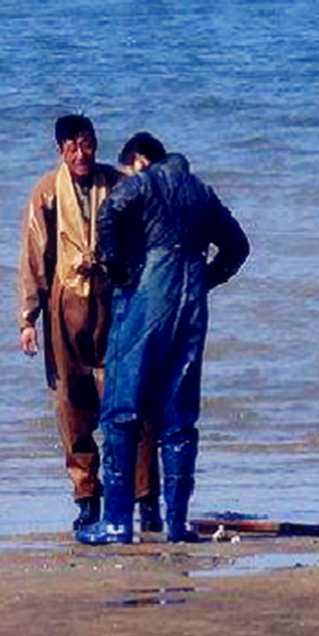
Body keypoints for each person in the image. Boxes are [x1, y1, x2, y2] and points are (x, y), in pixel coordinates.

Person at [76, 132, 250, 545]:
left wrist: (118, 270)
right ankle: (177, 524)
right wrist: (208, 279)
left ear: (143, 164)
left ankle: (117, 522)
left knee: (122, 409)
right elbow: (238, 247)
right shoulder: (202, 194)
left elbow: (110, 213)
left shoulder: (143, 183)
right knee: (179, 417)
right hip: (191, 304)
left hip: (147, 299)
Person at [18, 115, 160, 533]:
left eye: (88, 144)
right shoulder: (46, 192)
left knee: (134, 400)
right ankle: (86, 496)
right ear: (61, 151)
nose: (82, 154)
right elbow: (33, 257)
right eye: (73, 147)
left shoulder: (117, 183)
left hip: (115, 299)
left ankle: (146, 498)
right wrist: (28, 318)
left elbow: (148, 232)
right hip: (66, 304)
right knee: (72, 405)